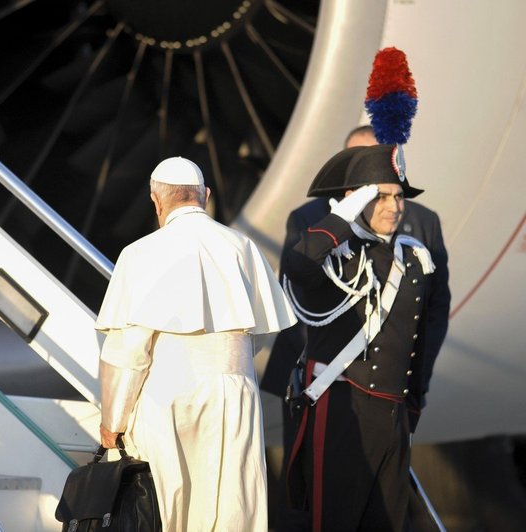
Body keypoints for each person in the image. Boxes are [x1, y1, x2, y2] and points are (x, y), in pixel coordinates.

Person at [94, 156, 297, 531]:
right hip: (236, 391)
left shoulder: (140, 253)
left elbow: (130, 352)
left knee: (169, 506)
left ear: (157, 201)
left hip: (168, 394)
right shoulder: (243, 247)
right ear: (205, 195)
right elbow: (264, 330)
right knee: (232, 505)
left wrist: (113, 421)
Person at [280, 143, 438, 531]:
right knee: (334, 522)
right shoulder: (337, 255)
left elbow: (416, 341)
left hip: (393, 414)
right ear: (356, 200)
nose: (394, 206)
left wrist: (411, 408)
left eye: (399, 197)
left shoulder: (414, 258)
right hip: (342, 411)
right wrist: (344, 216)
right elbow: (298, 265)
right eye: (380, 196)